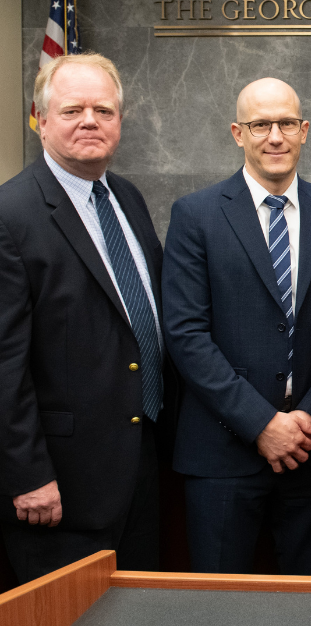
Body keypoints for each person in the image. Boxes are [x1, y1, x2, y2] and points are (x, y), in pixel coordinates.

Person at [162, 77, 311, 575]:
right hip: (221, 454)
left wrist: (307, 418)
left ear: (305, 130)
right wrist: (263, 424)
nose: (275, 136)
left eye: (286, 123)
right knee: (221, 606)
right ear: (237, 133)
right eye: (260, 124)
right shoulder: (196, 215)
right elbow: (186, 335)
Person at [0, 53, 171, 582]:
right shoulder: (12, 215)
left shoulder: (127, 197)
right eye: (73, 109)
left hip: (143, 464)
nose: (90, 121)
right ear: (40, 118)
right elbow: (3, 365)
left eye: (104, 109)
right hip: (61, 488)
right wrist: (27, 475)